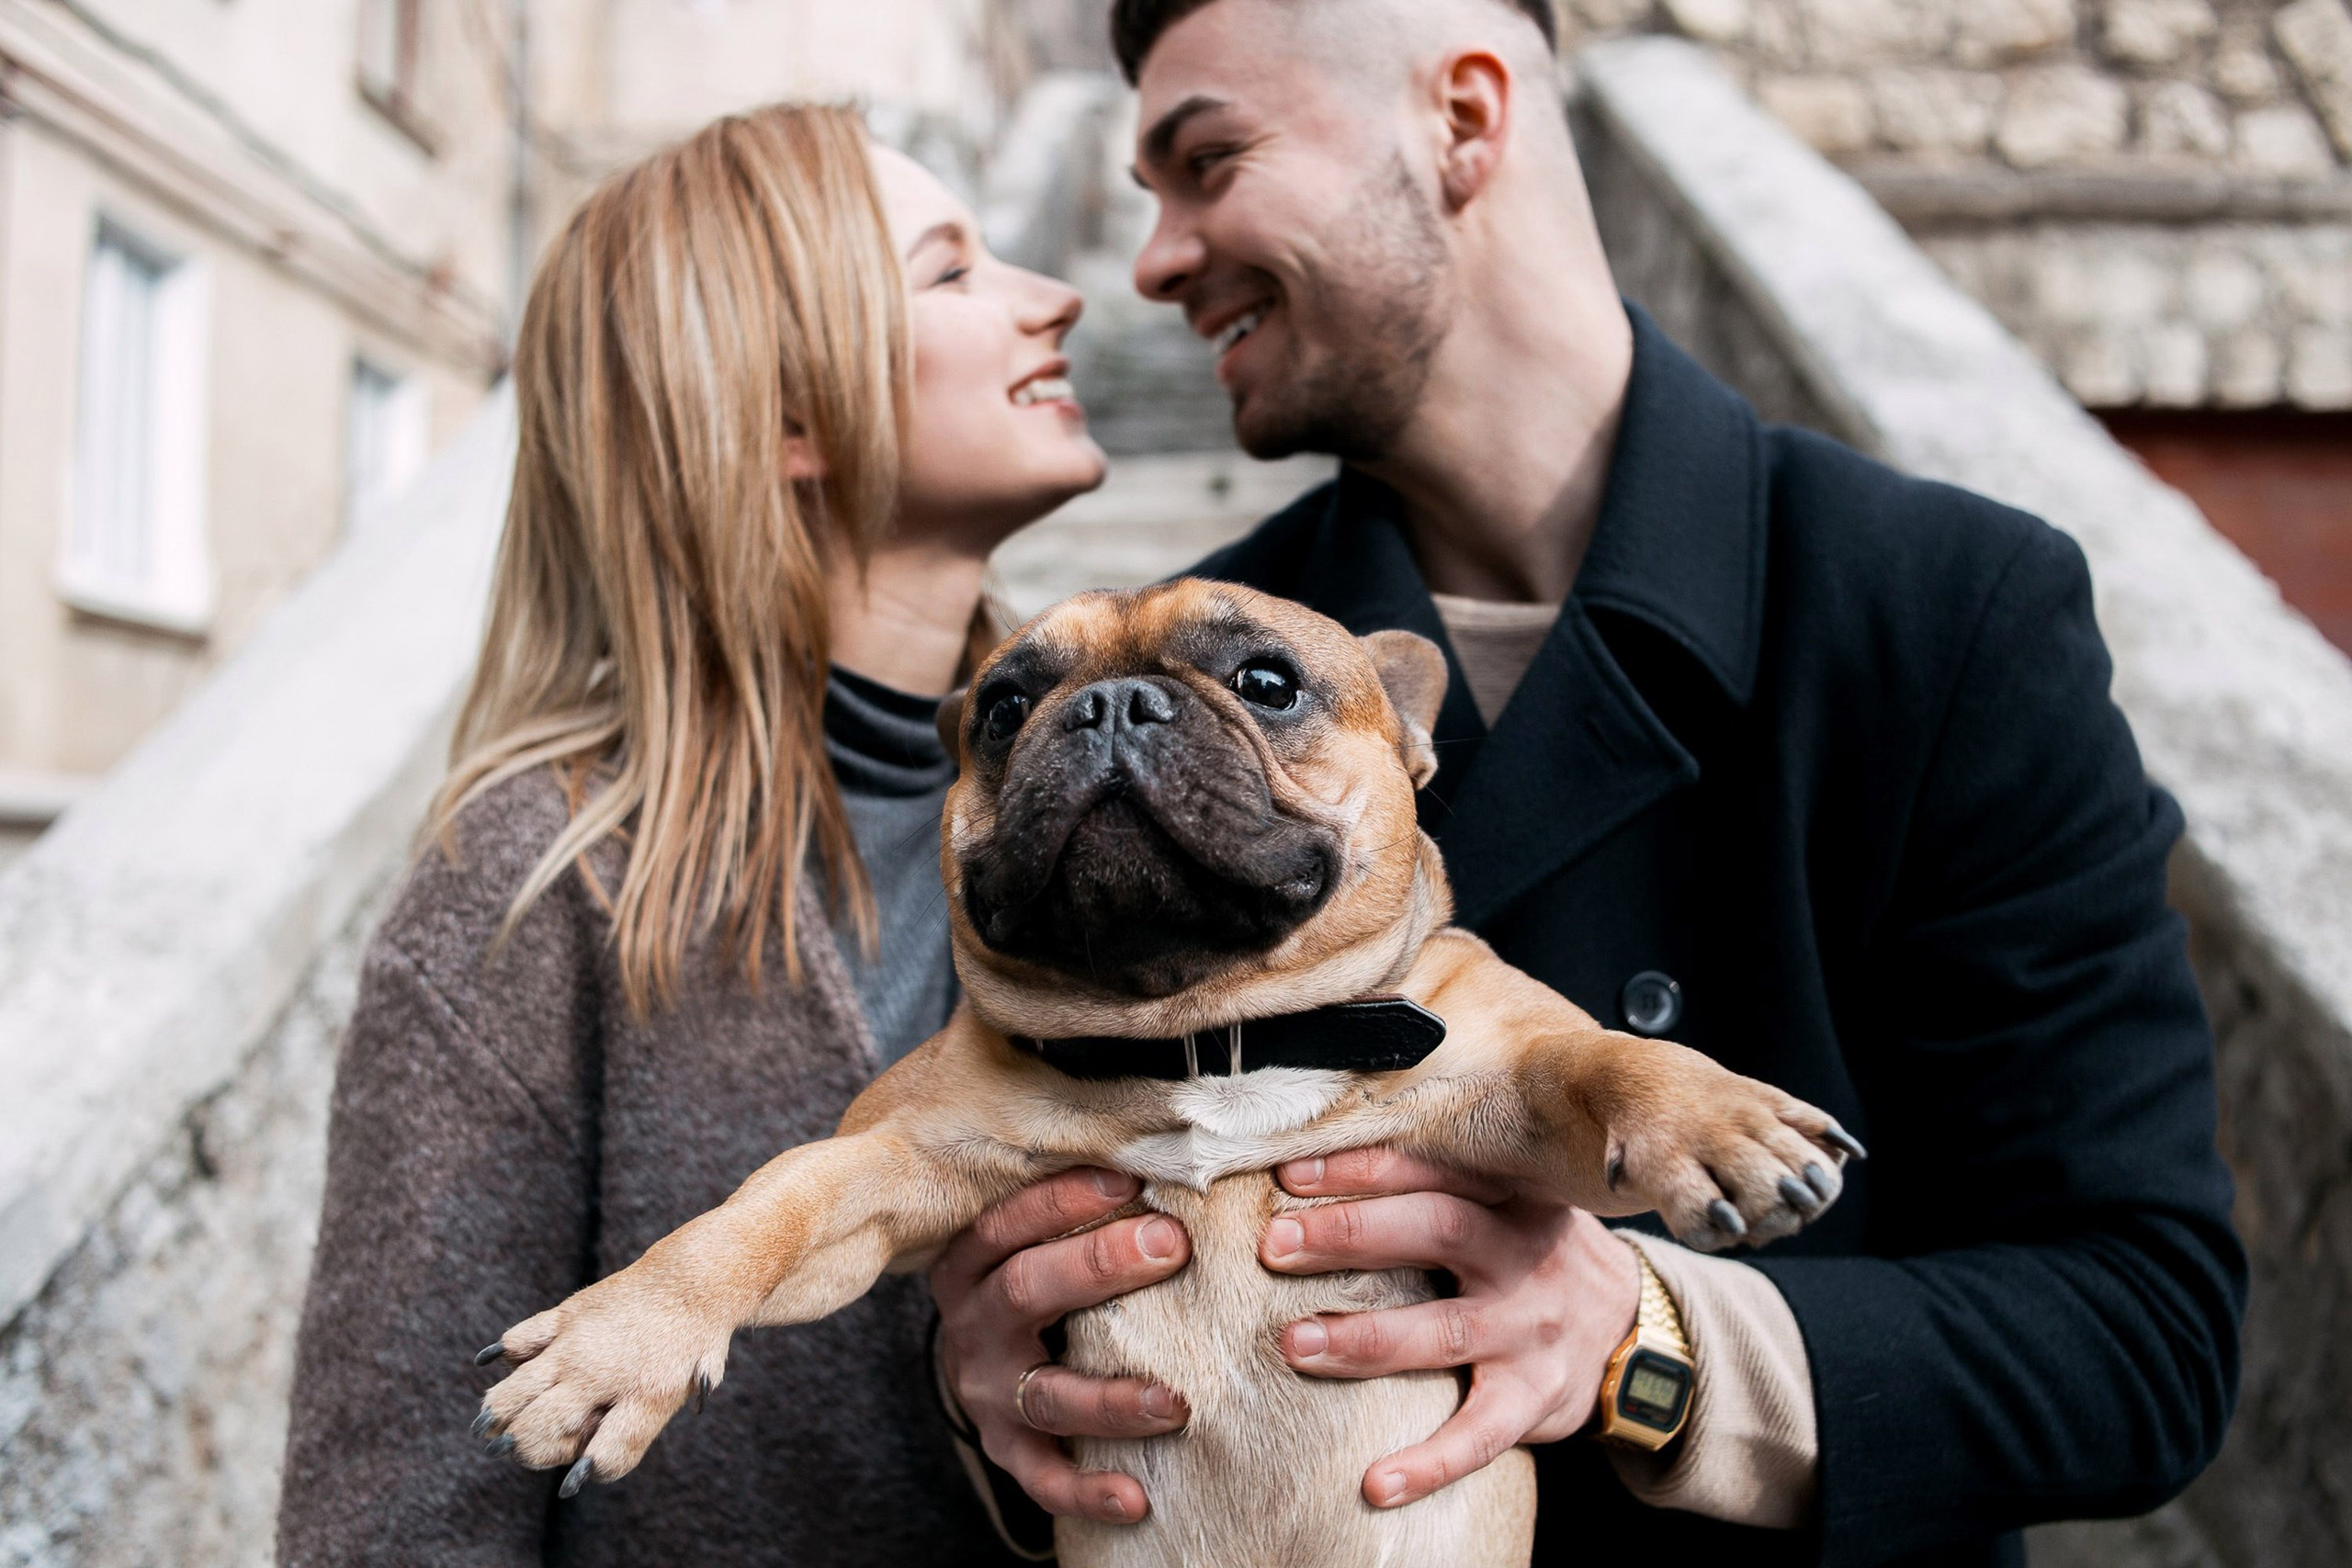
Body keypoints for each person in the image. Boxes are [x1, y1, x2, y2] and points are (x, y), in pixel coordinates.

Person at [928, 1, 2248, 1563]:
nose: (1152, 256)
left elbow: (2143, 1333)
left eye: (1206, 161)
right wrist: (995, 1389)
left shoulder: (1939, 608)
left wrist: (1643, 1336)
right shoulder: (1181, 701)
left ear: (1466, 122)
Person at [277, 104, 1114, 1565]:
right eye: (953, 273)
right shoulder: (541, 880)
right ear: (791, 417)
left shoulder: (1151, 793)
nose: (1058, 297)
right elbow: (403, 1516)